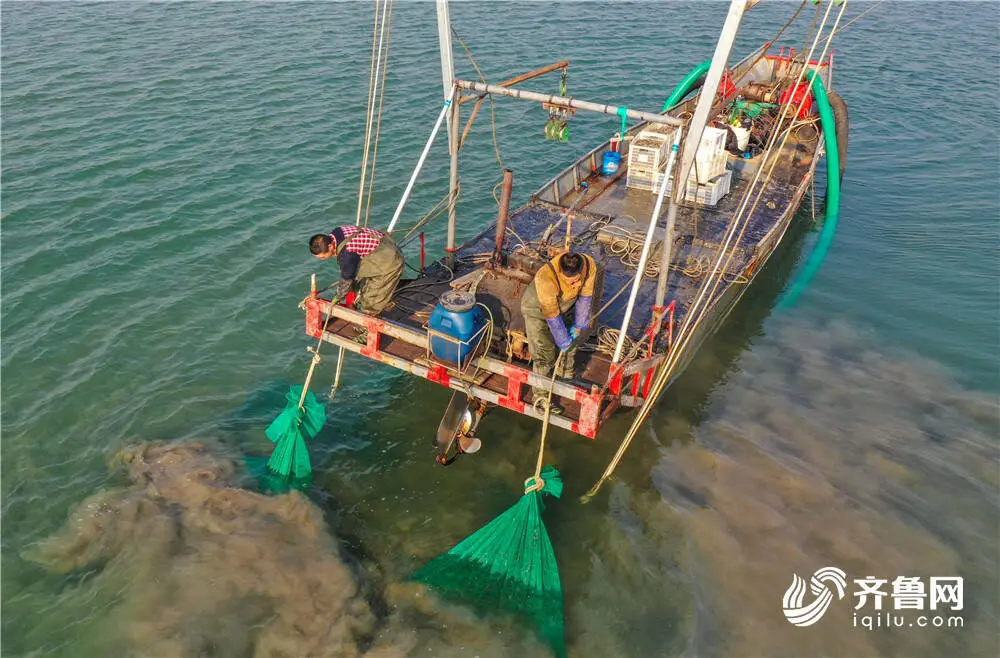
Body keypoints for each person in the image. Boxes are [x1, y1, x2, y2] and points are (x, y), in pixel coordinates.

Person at [520, 250, 597, 412]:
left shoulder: (589, 265)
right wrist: (562, 340)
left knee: (573, 342)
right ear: (560, 274)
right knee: (544, 354)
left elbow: (585, 297)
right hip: (538, 311)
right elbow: (552, 317)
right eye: (569, 282)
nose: (574, 284)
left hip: (566, 304)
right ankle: (541, 397)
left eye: (577, 280)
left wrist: (578, 325)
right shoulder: (546, 278)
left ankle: (564, 377)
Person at [309, 226, 404, 316]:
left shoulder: (347, 254)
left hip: (390, 261)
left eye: (323, 256)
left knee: (371, 300)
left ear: (330, 246)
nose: (322, 259)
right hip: (384, 245)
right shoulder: (337, 232)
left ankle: (367, 322)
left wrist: (338, 297)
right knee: (362, 287)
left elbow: (347, 279)